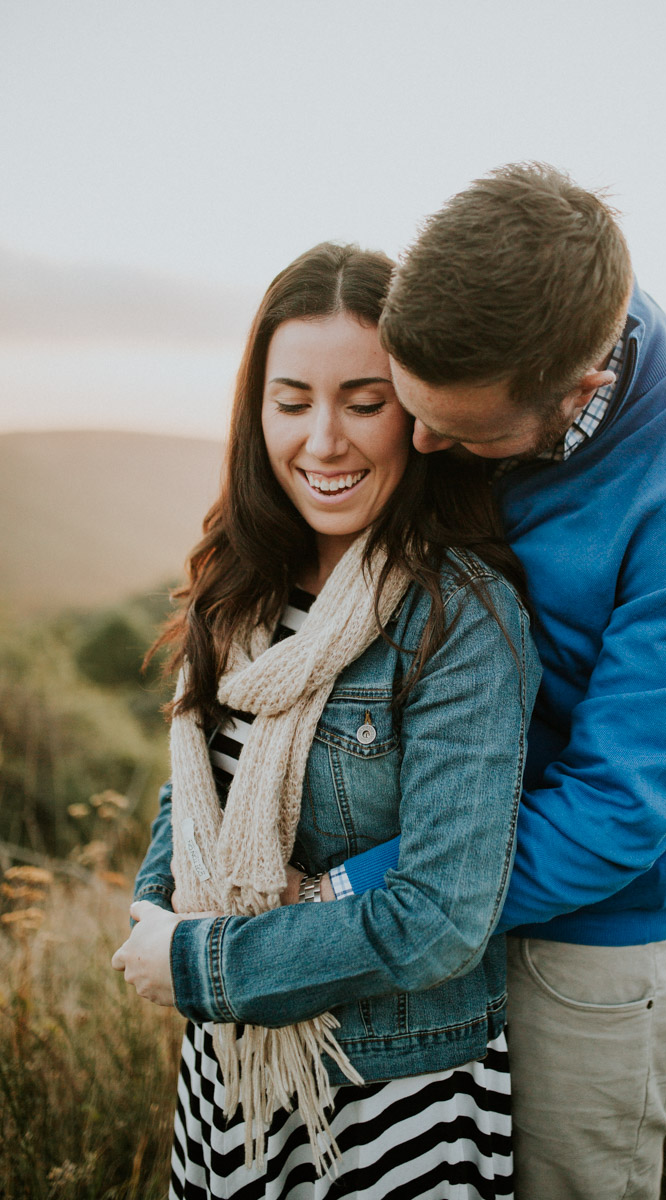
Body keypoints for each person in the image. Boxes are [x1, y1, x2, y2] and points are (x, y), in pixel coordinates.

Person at [303, 164, 666, 1199]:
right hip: (412, 891)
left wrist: (360, 891)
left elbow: (616, 810)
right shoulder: (483, 336)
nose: (423, 445)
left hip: (582, 947)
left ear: (574, 389)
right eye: (409, 406)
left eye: (466, 436)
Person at [111, 242, 538, 1200]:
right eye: (293, 400)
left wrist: (198, 962)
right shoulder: (239, 588)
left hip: (390, 1090)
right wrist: (156, 905)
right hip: (232, 1080)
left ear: (419, 416)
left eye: (363, 400)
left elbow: (440, 917)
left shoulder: (457, 616)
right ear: (255, 410)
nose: (324, 441)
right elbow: (200, 787)